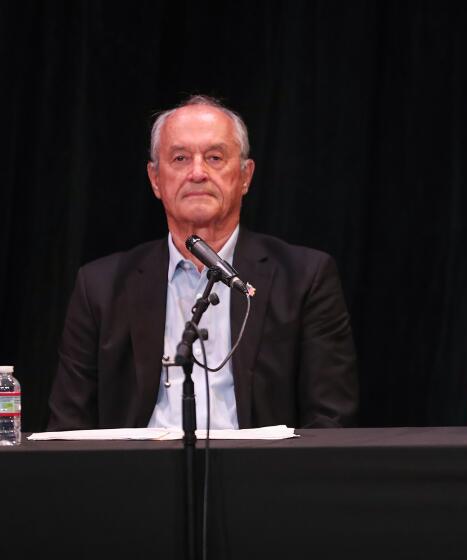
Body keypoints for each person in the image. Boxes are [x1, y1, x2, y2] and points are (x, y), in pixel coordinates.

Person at [48, 95, 358, 430]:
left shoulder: (304, 278)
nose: (197, 173)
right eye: (180, 158)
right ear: (155, 179)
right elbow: (68, 427)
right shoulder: (100, 287)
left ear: (245, 176)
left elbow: (331, 421)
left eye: (215, 157)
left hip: (261, 477)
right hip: (135, 477)